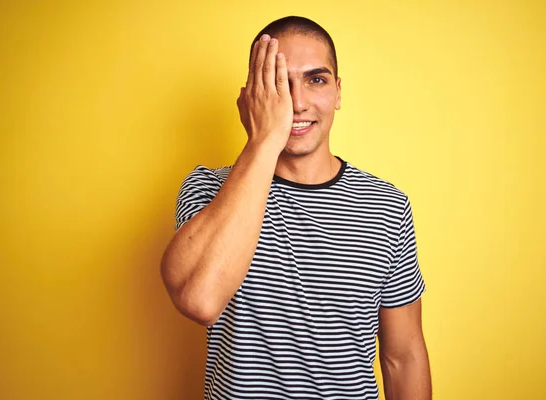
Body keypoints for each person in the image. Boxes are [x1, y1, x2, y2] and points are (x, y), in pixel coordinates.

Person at [161, 16, 432, 400]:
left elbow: (403, 357)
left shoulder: (387, 205)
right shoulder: (208, 188)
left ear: (338, 91)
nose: (299, 103)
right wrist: (263, 140)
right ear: (255, 96)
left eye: (316, 80)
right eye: (278, 84)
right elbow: (199, 299)